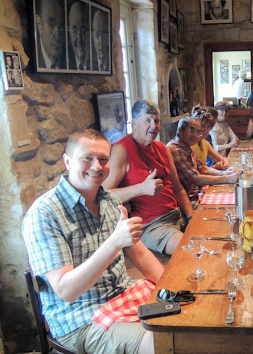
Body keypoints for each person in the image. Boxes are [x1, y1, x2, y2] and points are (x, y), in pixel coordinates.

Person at [23, 129, 162, 354]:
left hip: (122, 295)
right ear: (67, 161)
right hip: (79, 318)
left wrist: (170, 288)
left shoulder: (108, 200)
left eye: (103, 159)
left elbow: (141, 253)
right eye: (87, 158)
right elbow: (66, 291)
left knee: (185, 321)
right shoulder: (44, 213)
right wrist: (114, 242)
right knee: (161, 342)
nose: (97, 166)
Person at [103, 100, 193, 255]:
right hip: (151, 225)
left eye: (157, 121)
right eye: (147, 120)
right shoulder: (121, 149)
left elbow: (178, 189)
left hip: (177, 215)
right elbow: (104, 194)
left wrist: (191, 217)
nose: (154, 125)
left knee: (213, 230)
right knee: (192, 251)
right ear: (134, 122)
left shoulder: (162, 148)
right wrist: (141, 189)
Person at [167, 117, 238, 202]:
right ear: (180, 130)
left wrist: (223, 173)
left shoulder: (186, 146)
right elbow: (195, 178)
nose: (195, 135)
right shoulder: (175, 149)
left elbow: (202, 168)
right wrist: (227, 179)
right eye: (191, 130)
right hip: (188, 200)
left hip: (198, 193)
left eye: (198, 132)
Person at [35, 0, 66, 70]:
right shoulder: (31, 58)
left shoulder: (68, 60)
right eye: (51, 24)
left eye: (61, 26)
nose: (58, 36)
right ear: (39, 24)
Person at [68, 0, 90, 70]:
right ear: (69, 31)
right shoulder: (64, 61)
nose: (79, 39)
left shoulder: (96, 60)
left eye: (83, 29)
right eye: (74, 30)